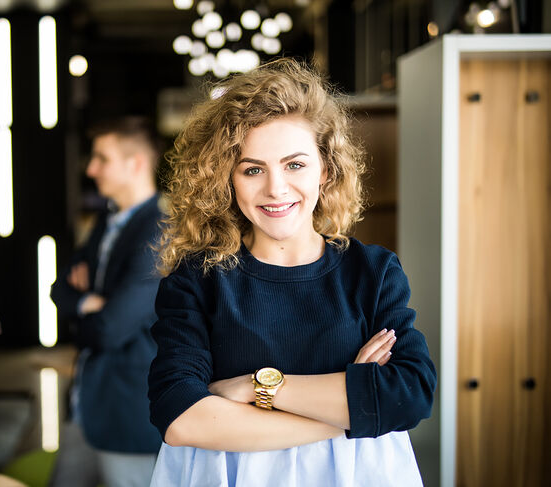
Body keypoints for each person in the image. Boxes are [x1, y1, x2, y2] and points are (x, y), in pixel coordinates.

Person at [148, 58, 437, 487]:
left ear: (326, 170)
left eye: (295, 164)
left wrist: (259, 387)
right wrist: (352, 410)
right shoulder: (198, 279)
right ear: (226, 179)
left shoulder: (372, 272)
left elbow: (408, 394)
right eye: (252, 169)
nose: (276, 188)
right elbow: (180, 417)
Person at [49, 116, 164, 487]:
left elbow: (112, 327)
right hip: (85, 402)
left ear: (136, 164)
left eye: (102, 158)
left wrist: (89, 310)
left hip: (126, 409)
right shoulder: (107, 219)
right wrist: (88, 303)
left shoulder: (161, 228)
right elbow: (58, 290)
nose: (91, 168)